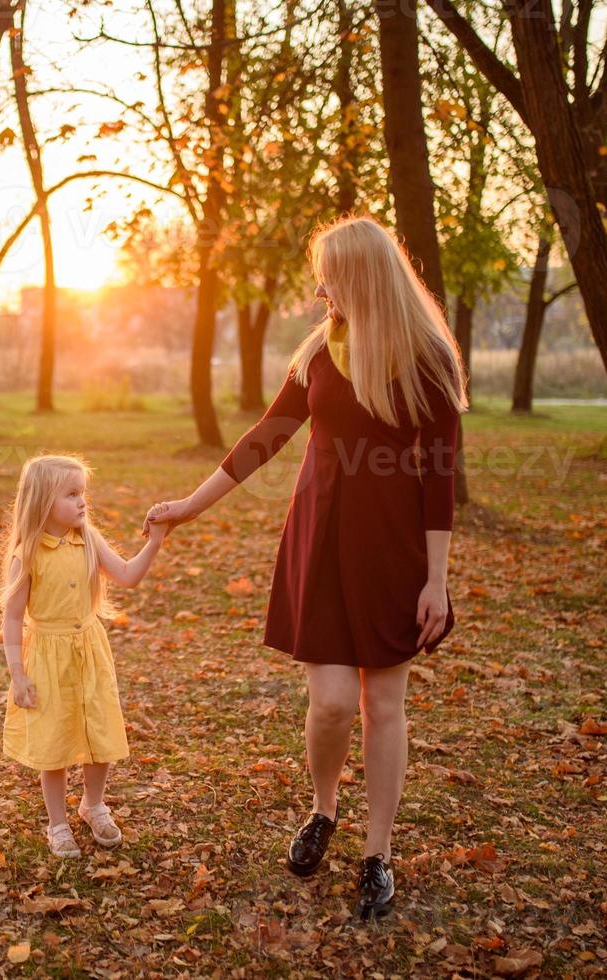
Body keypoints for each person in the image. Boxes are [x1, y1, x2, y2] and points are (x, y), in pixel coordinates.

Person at [143, 216, 468, 919]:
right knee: (329, 703)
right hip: (318, 541)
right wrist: (189, 507)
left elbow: (439, 477)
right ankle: (324, 810)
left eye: (329, 274)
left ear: (362, 277)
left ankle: (377, 855)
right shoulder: (321, 351)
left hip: (394, 554)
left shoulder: (429, 359)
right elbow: (268, 436)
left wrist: (437, 579)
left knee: (383, 706)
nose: (320, 288)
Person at [0, 454, 170, 858]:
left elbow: (127, 575)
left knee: (100, 733)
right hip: (48, 655)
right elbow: (11, 616)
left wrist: (155, 542)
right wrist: (17, 674)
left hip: (90, 650)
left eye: (83, 493)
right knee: (53, 742)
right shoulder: (28, 552)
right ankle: (57, 824)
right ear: (42, 500)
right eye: (71, 494)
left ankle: (93, 804)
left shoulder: (88, 539)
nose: (82, 502)